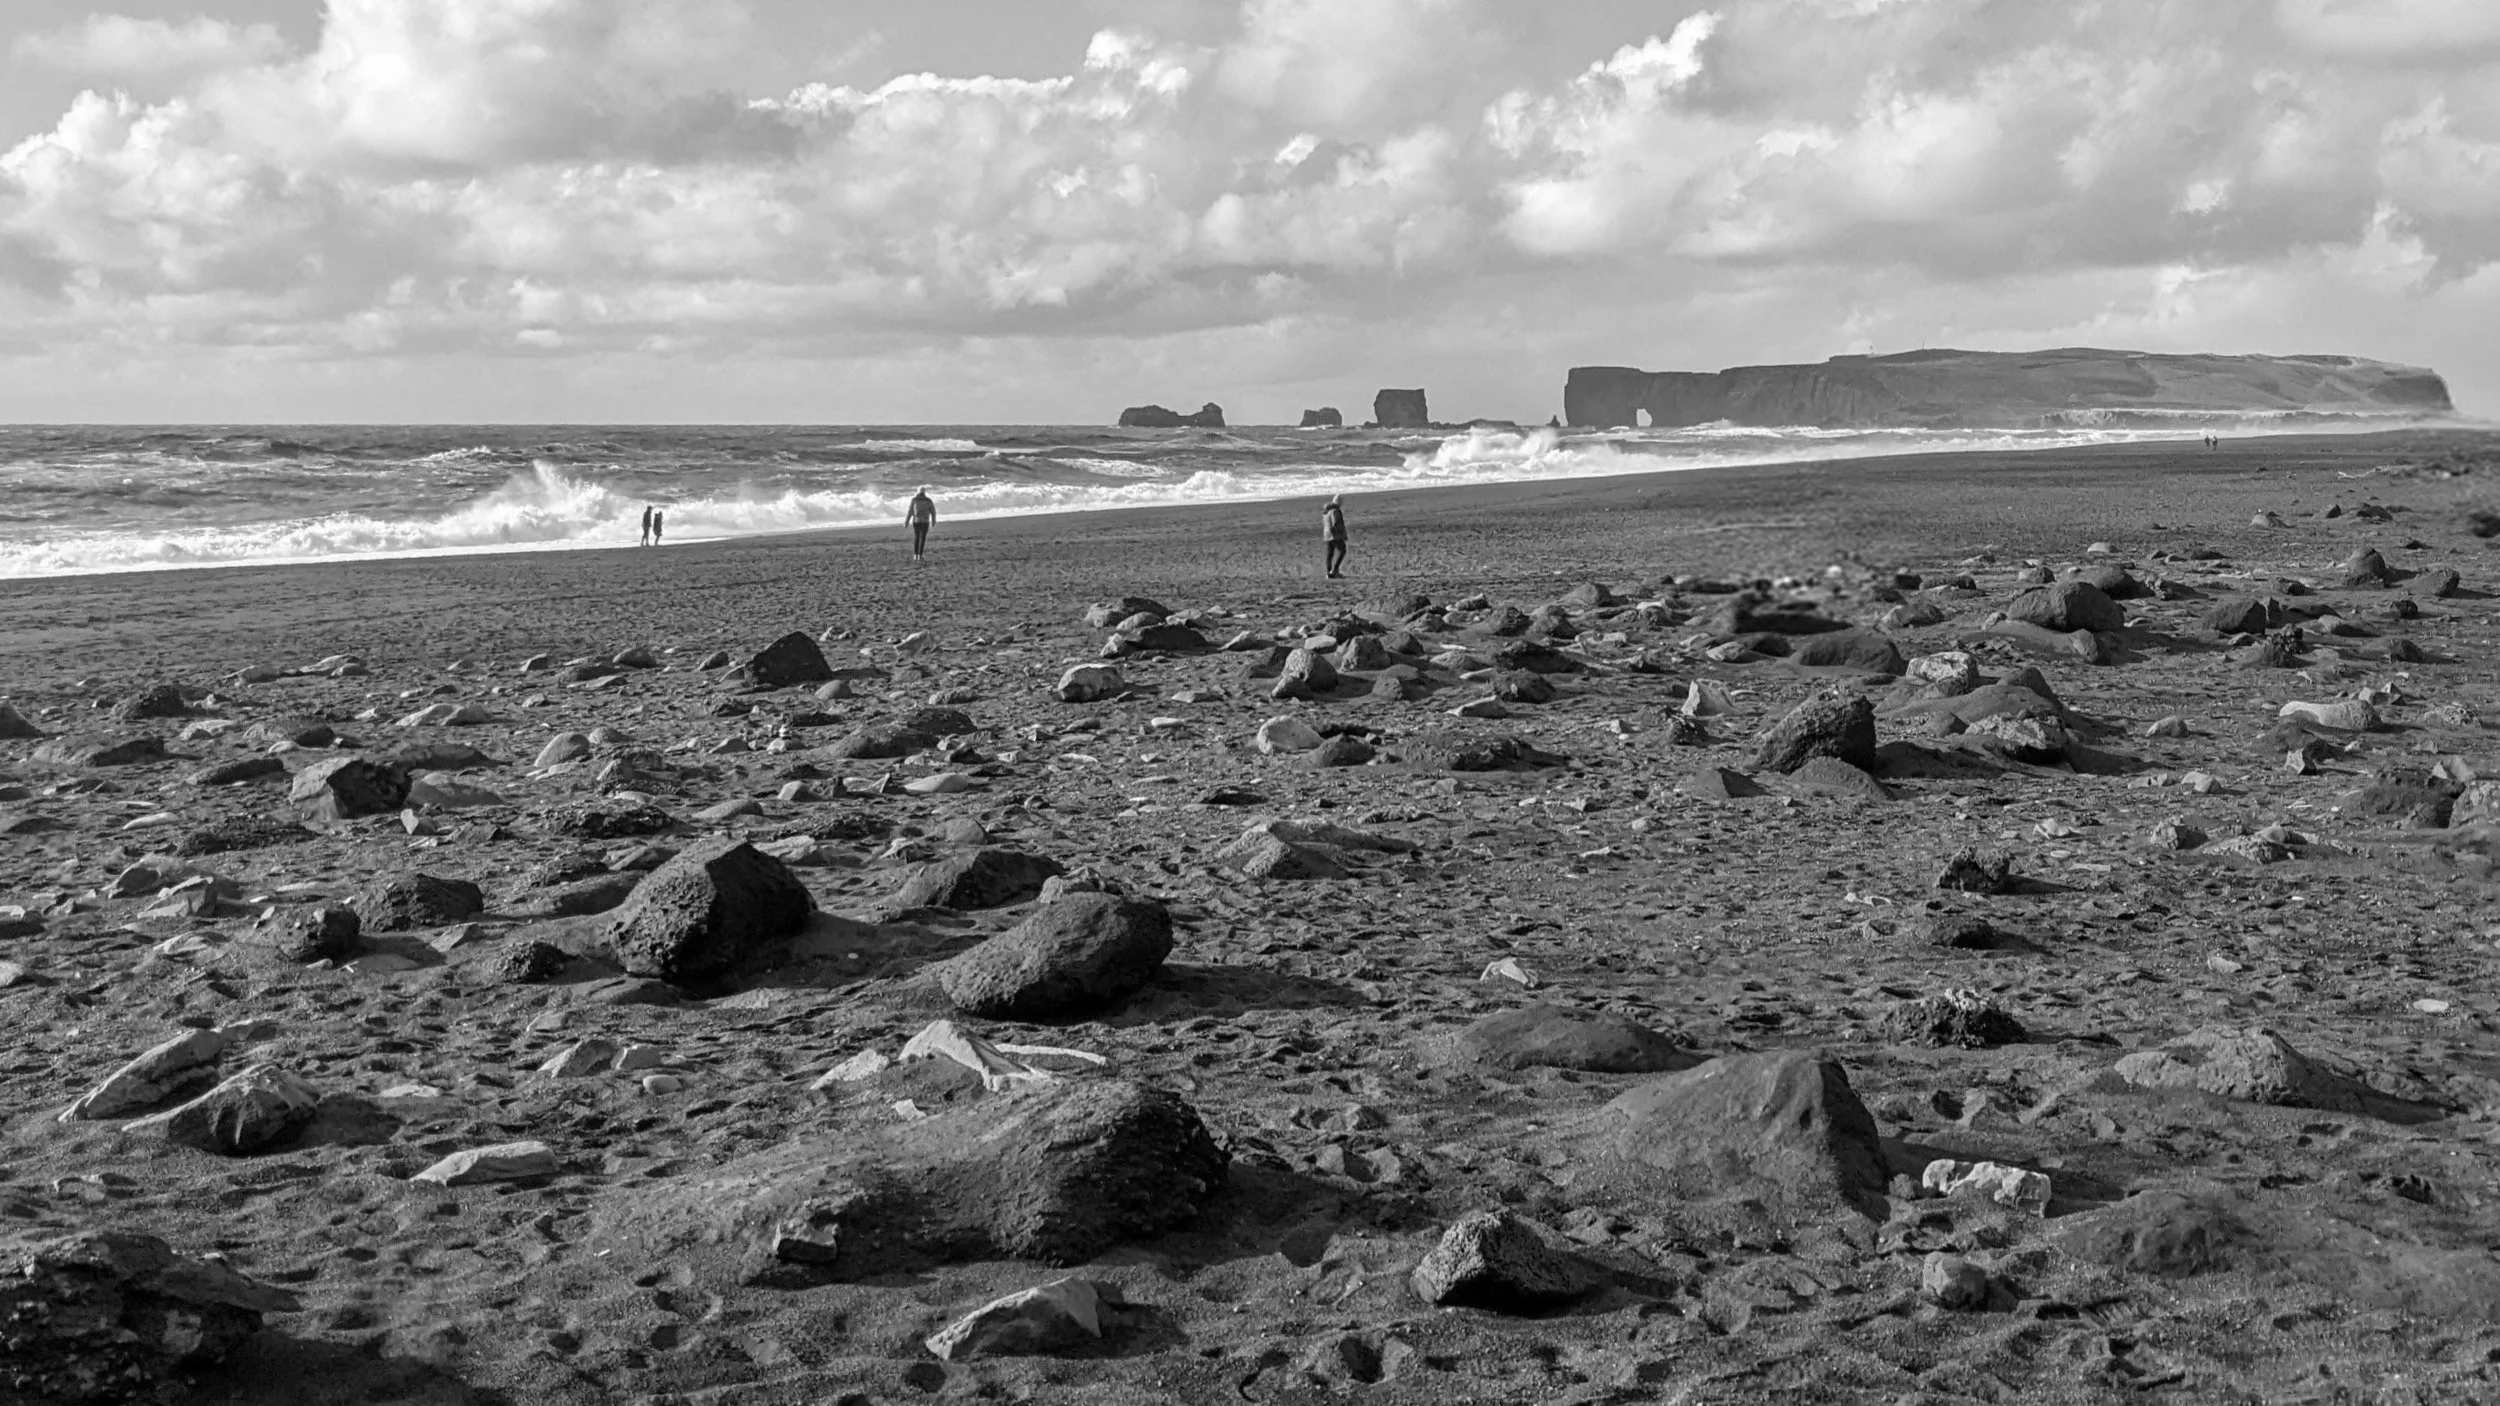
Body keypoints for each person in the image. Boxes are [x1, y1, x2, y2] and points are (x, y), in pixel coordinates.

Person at [906, 488, 937, 562]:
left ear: (918, 492)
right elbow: (933, 512)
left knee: (917, 537)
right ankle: (920, 555)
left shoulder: (914, 500)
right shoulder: (928, 500)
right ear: (924, 492)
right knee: (922, 538)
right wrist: (933, 521)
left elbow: (910, 511)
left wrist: (906, 521)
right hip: (925, 522)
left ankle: (915, 555)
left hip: (916, 521)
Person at [1322, 494, 1348, 578]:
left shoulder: (1326, 511)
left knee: (1330, 554)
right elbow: (1336, 523)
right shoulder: (1335, 511)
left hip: (1327, 535)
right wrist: (1342, 533)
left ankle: (1328, 572)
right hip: (1335, 535)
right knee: (1342, 551)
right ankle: (1335, 570)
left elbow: (1325, 523)